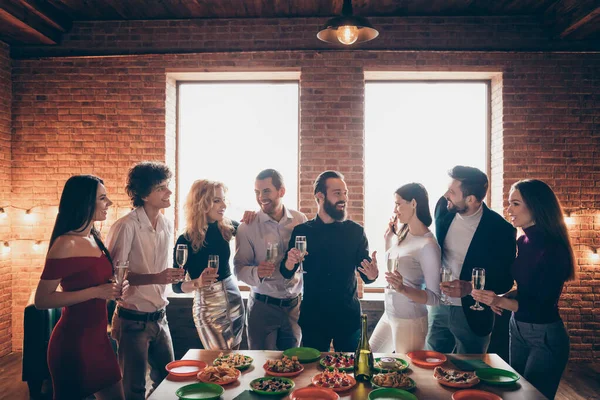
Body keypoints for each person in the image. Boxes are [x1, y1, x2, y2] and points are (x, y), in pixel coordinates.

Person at [472, 179, 575, 399]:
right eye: (510, 203)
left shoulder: (554, 249)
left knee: (532, 397)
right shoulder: (524, 241)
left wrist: (498, 301)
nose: (509, 209)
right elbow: (529, 287)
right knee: (514, 394)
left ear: (536, 206)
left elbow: (540, 304)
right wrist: (503, 296)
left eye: (515, 203)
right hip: (516, 328)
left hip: (544, 335)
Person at [34, 175, 125, 400]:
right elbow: (42, 300)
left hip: (99, 340)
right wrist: (96, 292)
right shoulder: (66, 243)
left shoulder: (95, 238)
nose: (109, 203)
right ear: (85, 202)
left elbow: (95, 281)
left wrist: (111, 289)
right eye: (103, 198)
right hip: (73, 344)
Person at [107, 162, 184, 400]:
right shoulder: (126, 226)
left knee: (168, 383)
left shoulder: (167, 224)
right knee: (134, 390)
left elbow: (162, 270)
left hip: (161, 317)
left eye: (167, 186)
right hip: (132, 321)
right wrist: (157, 277)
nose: (169, 192)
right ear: (143, 195)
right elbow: (114, 275)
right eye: (161, 188)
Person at [280, 170, 379, 352]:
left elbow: (368, 276)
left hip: (347, 317)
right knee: (311, 372)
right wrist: (290, 261)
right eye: (337, 193)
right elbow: (286, 271)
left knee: (351, 372)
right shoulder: (303, 231)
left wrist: (373, 274)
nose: (344, 198)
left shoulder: (355, 232)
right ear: (320, 196)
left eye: (345, 193)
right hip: (313, 318)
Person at [425, 166, 516, 355]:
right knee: (430, 363)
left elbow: (505, 280)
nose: (445, 195)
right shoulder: (444, 208)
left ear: (471, 199)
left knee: (470, 369)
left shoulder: (501, 229)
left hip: (474, 313)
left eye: (452, 192)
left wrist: (469, 287)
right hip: (438, 306)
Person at [234, 169, 307, 350]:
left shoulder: (300, 219)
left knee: (293, 364)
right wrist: (256, 272)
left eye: (266, 191)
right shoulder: (247, 227)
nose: (261, 197)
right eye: (257, 192)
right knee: (261, 366)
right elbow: (238, 269)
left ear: (281, 191)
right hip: (262, 306)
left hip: (294, 307)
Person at [172, 179, 244, 350]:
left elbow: (253, 231)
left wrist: (251, 216)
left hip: (234, 299)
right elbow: (176, 286)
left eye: (224, 199)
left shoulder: (228, 226)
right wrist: (198, 282)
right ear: (201, 203)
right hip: (208, 307)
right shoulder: (185, 239)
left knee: (235, 359)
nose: (224, 205)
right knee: (218, 363)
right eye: (217, 200)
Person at [369, 183, 441, 354]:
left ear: (414, 203)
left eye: (398, 203)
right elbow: (394, 273)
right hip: (389, 314)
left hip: (410, 320)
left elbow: (434, 298)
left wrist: (402, 288)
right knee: (368, 357)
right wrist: (388, 239)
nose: (395, 210)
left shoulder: (428, 245)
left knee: (408, 374)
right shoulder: (403, 235)